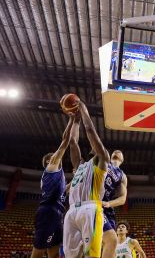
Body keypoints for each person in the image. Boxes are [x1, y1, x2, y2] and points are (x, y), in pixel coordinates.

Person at [63, 101, 110, 258]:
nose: (92, 146)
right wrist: (74, 121)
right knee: (71, 256)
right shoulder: (80, 166)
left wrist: (83, 110)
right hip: (71, 211)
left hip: (90, 209)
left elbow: (89, 130)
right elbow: (72, 142)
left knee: (91, 255)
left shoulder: (102, 159)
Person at [31, 116, 73, 258]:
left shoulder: (59, 176)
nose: (58, 157)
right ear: (50, 160)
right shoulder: (51, 167)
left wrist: (78, 176)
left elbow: (65, 190)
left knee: (54, 254)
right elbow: (64, 142)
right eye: (55, 156)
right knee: (38, 251)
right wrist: (72, 120)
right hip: (48, 211)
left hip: (58, 213)